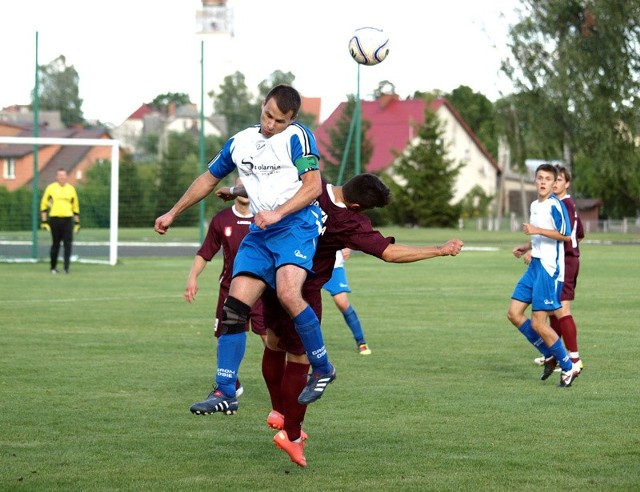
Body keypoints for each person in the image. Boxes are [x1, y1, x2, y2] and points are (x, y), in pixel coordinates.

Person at [219, 174, 463, 466]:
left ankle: (277, 411)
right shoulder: (351, 222)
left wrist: (233, 190)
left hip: (269, 276)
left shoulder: (312, 185)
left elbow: (269, 185)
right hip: (302, 291)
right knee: (299, 360)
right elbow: (389, 253)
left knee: (272, 343)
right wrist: (439, 249)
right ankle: (291, 435)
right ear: (357, 205)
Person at [155, 85, 335, 417]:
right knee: (234, 308)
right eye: (267, 115)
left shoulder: (299, 137)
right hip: (261, 231)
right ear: (262, 106)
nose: (270, 124)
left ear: (292, 119)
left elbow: (313, 186)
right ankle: (225, 390)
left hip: (296, 226)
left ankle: (322, 367)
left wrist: (279, 213)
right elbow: (208, 179)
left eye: (279, 120)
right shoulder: (240, 141)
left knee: (288, 294)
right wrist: (172, 212)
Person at [184, 180, 266, 398]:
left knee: (271, 339)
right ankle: (232, 384)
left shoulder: (266, 217)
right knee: (223, 339)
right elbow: (205, 252)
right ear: (234, 188)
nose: (245, 189)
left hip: (261, 290)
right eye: (241, 184)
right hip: (229, 291)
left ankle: (284, 383)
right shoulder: (222, 220)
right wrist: (192, 277)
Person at [508, 163, 580, 388]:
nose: (542, 182)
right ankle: (549, 354)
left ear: (553, 183)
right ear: (535, 180)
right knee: (514, 313)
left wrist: (536, 230)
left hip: (549, 269)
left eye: (548, 179)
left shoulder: (556, 205)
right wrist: (526, 246)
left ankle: (569, 367)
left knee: (540, 323)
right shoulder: (534, 205)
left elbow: (566, 235)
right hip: (535, 265)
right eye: (539, 178)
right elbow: (539, 236)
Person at [531, 165, 584, 369]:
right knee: (553, 309)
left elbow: (567, 234)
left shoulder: (563, 204)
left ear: (565, 183)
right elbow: (579, 233)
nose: (554, 183)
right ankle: (555, 355)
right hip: (564, 258)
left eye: (559, 180)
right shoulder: (560, 203)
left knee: (562, 309)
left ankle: (574, 359)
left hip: (566, 261)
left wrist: (567, 252)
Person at [323, 248, 371, 355]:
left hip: (334, 265)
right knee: (301, 304)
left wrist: (348, 246)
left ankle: (361, 342)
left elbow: (350, 231)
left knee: (342, 303)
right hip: (308, 263)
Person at [40, 168, 80, 274]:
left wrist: (77, 223)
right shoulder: (51, 188)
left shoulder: (71, 189)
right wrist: (44, 222)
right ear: (56, 177)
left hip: (67, 220)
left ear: (66, 177)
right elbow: (44, 205)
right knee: (55, 244)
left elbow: (75, 207)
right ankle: (53, 267)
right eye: (60, 175)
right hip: (55, 219)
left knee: (68, 244)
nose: (62, 177)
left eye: (63, 175)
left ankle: (66, 268)